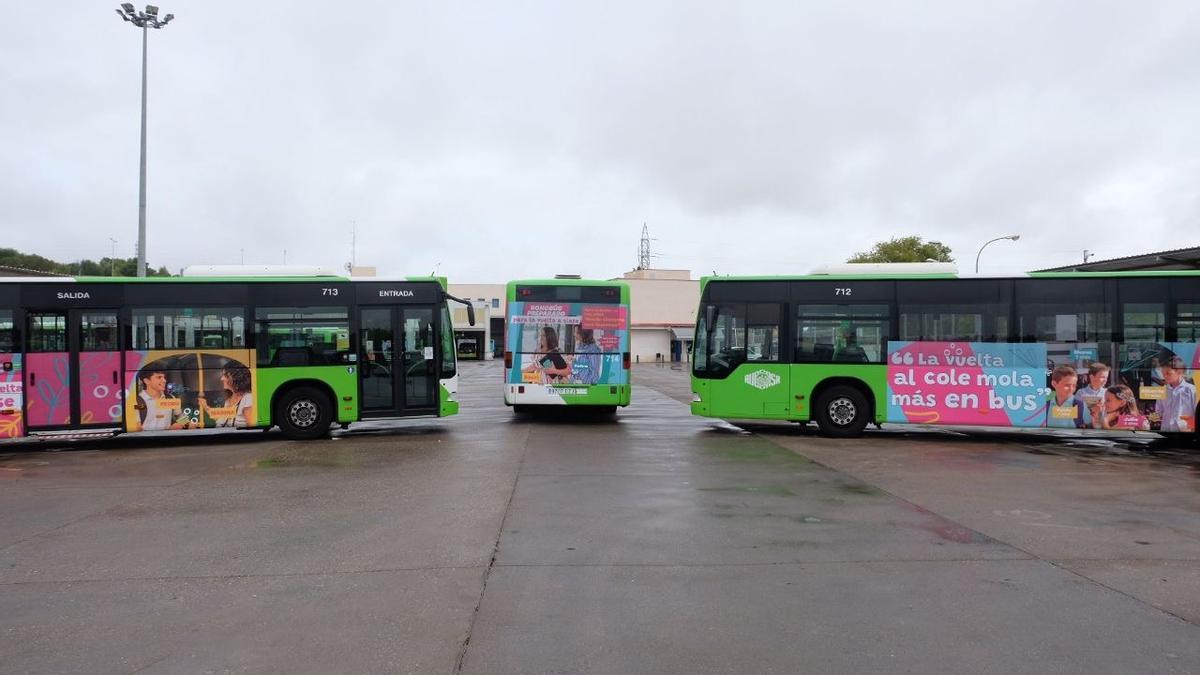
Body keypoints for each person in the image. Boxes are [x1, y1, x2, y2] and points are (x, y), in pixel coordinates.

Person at [203, 362, 254, 428]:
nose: (221, 379)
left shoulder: (248, 398)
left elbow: (252, 428)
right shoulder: (229, 399)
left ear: (236, 378)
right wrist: (205, 406)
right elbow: (222, 419)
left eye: (225, 375)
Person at [1153, 356, 1196, 433]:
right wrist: (1147, 418)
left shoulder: (1191, 390)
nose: (1164, 376)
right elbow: (1158, 412)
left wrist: (1191, 428)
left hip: (1186, 433)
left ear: (1179, 372)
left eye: (1168, 373)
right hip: (1166, 432)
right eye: (1163, 373)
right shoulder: (1163, 390)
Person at [1077, 362, 1109, 427]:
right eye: (1102, 377)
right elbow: (1075, 413)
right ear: (1092, 377)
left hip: (1104, 428)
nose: (1105, 380)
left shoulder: (1108, 392)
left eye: (1106, 377)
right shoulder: (1081, 393)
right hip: (1085, 429)